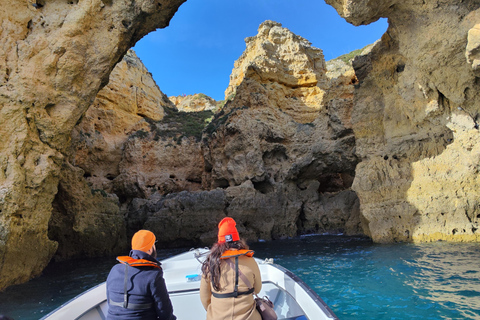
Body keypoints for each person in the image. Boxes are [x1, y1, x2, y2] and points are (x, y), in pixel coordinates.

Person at [200, 217, 262, 320]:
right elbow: (258, 289)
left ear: (219, 242)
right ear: (238, 239)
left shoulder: (211, 264)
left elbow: (204, 297)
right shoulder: (250, 261)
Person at [106, 230, 176, 320]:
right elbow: (165, 313)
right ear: (150, 249)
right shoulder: (153, 275)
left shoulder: (114, 269)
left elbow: (109, 301)